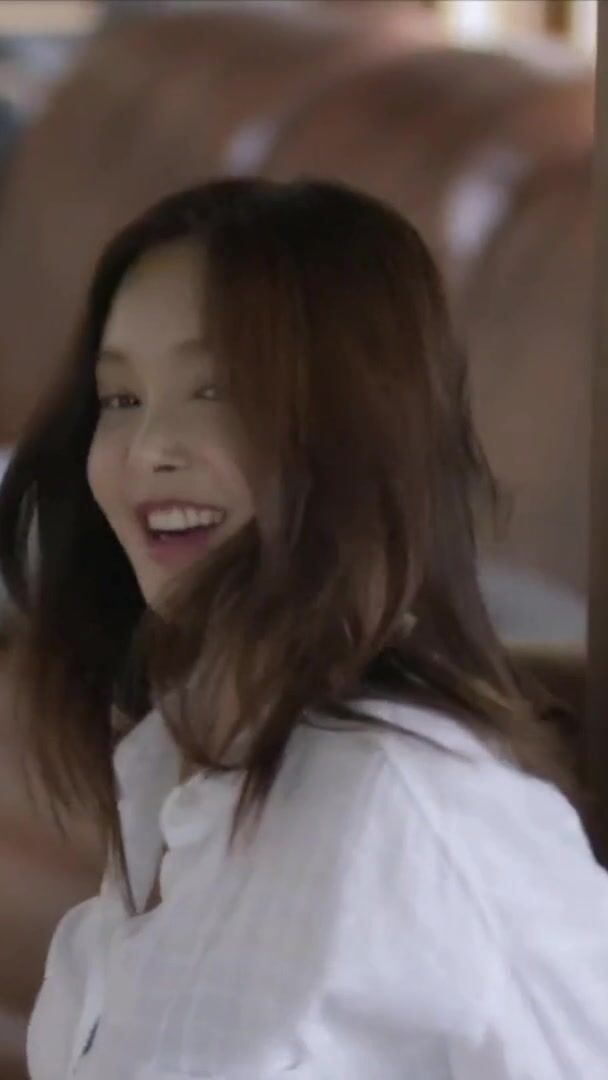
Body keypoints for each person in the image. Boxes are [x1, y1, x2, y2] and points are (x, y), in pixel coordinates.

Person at [0, 178, 606, 1079]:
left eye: (215, 389)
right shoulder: (169, 773)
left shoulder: (415, 809)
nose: (148, 448)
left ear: (353, 425)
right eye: (121, 399)